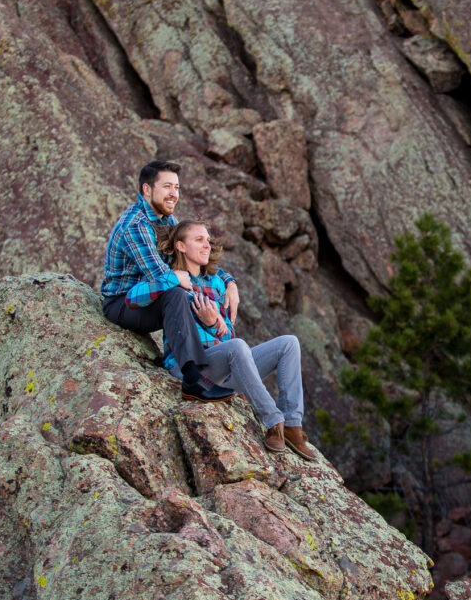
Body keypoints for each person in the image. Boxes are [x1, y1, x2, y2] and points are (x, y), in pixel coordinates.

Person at [154, 220, 319, 462]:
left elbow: (227, 335)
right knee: (238, 346)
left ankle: (293, 426)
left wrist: (219, 312)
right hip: (189, 370)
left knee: (289, 343)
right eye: (199, 240)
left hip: (224, 367)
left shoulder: (217, 282)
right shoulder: (172, 280)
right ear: (180, 246)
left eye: (208, 240)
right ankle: (274, 422)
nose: (206, 245)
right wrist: (212, 326)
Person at [101, 161, 240, 402]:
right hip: (124, 303)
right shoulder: (136, 225)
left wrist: (229, 282)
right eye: (167, 186)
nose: (173, 193)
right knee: (176, 295)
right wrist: (212, 314)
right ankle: (193, 378)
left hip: (153, 295)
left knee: (183, 295)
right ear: (147, 189)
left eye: (176, 187)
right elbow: (161, 278)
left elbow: (193, 259)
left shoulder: (168, 221)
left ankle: (209, 369)